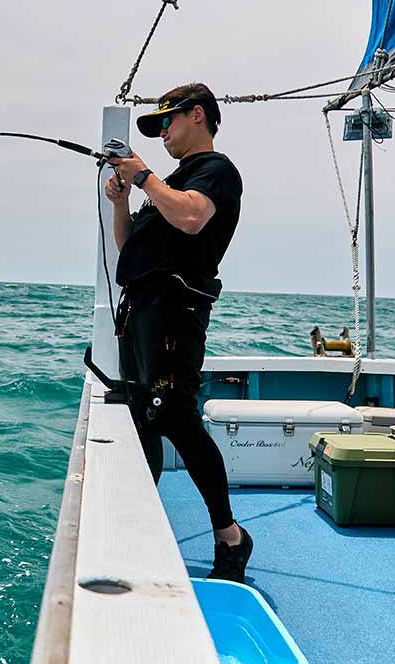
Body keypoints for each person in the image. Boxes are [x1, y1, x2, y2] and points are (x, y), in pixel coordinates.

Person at [103, 82, 253, 583]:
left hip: (174, 316)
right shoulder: (169, 184)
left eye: (167, 121)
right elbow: (128, 247)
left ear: (197, 115)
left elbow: (191, 219)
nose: (162, 132)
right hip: (140, 316)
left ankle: (229, 534)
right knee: (144, 417)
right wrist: (124, 200)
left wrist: (142, 175)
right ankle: (138, 530)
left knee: (179, 419)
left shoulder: (215, 173)